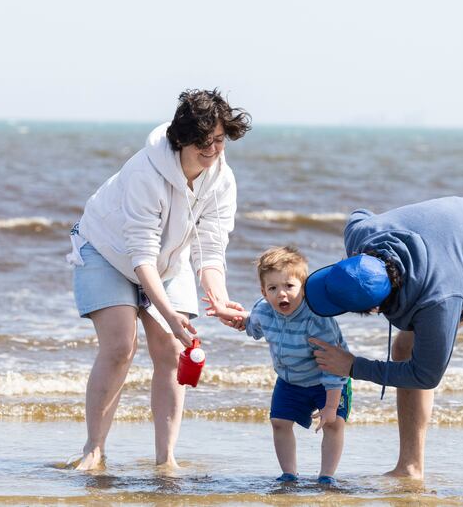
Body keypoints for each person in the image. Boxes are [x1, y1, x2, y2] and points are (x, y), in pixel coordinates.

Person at [304, 196, 463, 502]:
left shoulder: (438, 297)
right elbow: (360, 212)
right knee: (404, 346)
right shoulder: (361, 235)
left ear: (378, 307)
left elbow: (426, 375)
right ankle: (409, 466)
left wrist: (353, 366)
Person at [66, 89, 251, 470]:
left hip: (167, 260)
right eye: (204, 141)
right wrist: (168, 314)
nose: (213, 150)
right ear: (182, 137)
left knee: (170, 350)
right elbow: (141, 256)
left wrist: (218, 299)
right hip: (105, 249)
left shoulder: (222, 180)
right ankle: (93, 449)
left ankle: (165, 459)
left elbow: (211, 250)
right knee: (120, 345)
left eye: (219, 140)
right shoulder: (145, 172)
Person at [204, 246, 352, 485]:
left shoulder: (317, 319)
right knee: (279, 422)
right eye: (273, 288)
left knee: (333, 423)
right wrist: (233, 317)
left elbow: (333, 365)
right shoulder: (264, 310)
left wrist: (331, 405)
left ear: (303, 288)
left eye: (289, 286)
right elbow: (253, 325)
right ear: (263, 292)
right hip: (290, 380)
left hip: (329, 379)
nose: (282, 294)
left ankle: (326, 476)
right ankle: (289, 474)